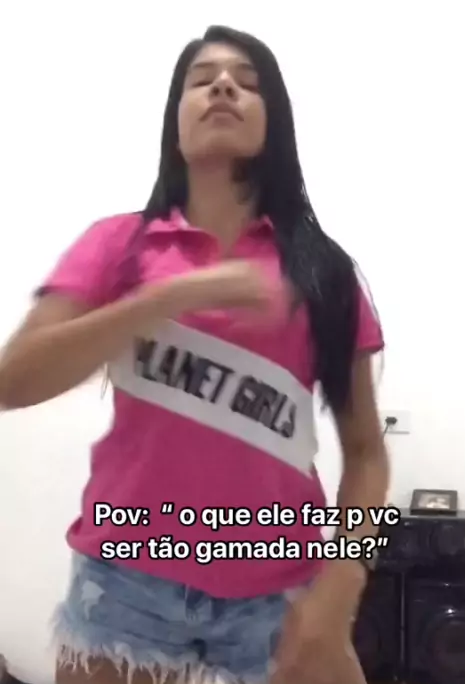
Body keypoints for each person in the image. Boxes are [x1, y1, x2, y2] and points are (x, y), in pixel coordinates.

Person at [0, 25, 389, 684]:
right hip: (125, 586)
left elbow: (367, 454)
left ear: (274, 120)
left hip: (283, 592)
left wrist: (344, 582)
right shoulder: (118, 245)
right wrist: (168, 297)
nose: (224, 87)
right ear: (175, 122)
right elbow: (13, 381)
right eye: (202, 79)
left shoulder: (324, 271)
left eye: (247, 81)